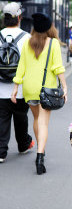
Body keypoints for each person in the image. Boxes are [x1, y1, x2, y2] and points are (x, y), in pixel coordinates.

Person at [11, 13, 67, 175]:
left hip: (29, 88)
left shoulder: (28, 43)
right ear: (49, 27)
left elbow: (21, 67)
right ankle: (40, 155)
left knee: (36, 119)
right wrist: (64, 86)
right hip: (46, 89)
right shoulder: (53, 44)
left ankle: (39, 147)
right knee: (43, 122)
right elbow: (58, 68)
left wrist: (16, 88)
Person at [0, 2, 34, 163]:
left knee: (2, 120)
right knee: (21, 118)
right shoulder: (27, 38)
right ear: (19, 18)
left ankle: (1, 152)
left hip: (1, 88)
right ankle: (23, 144)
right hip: (20, 88)